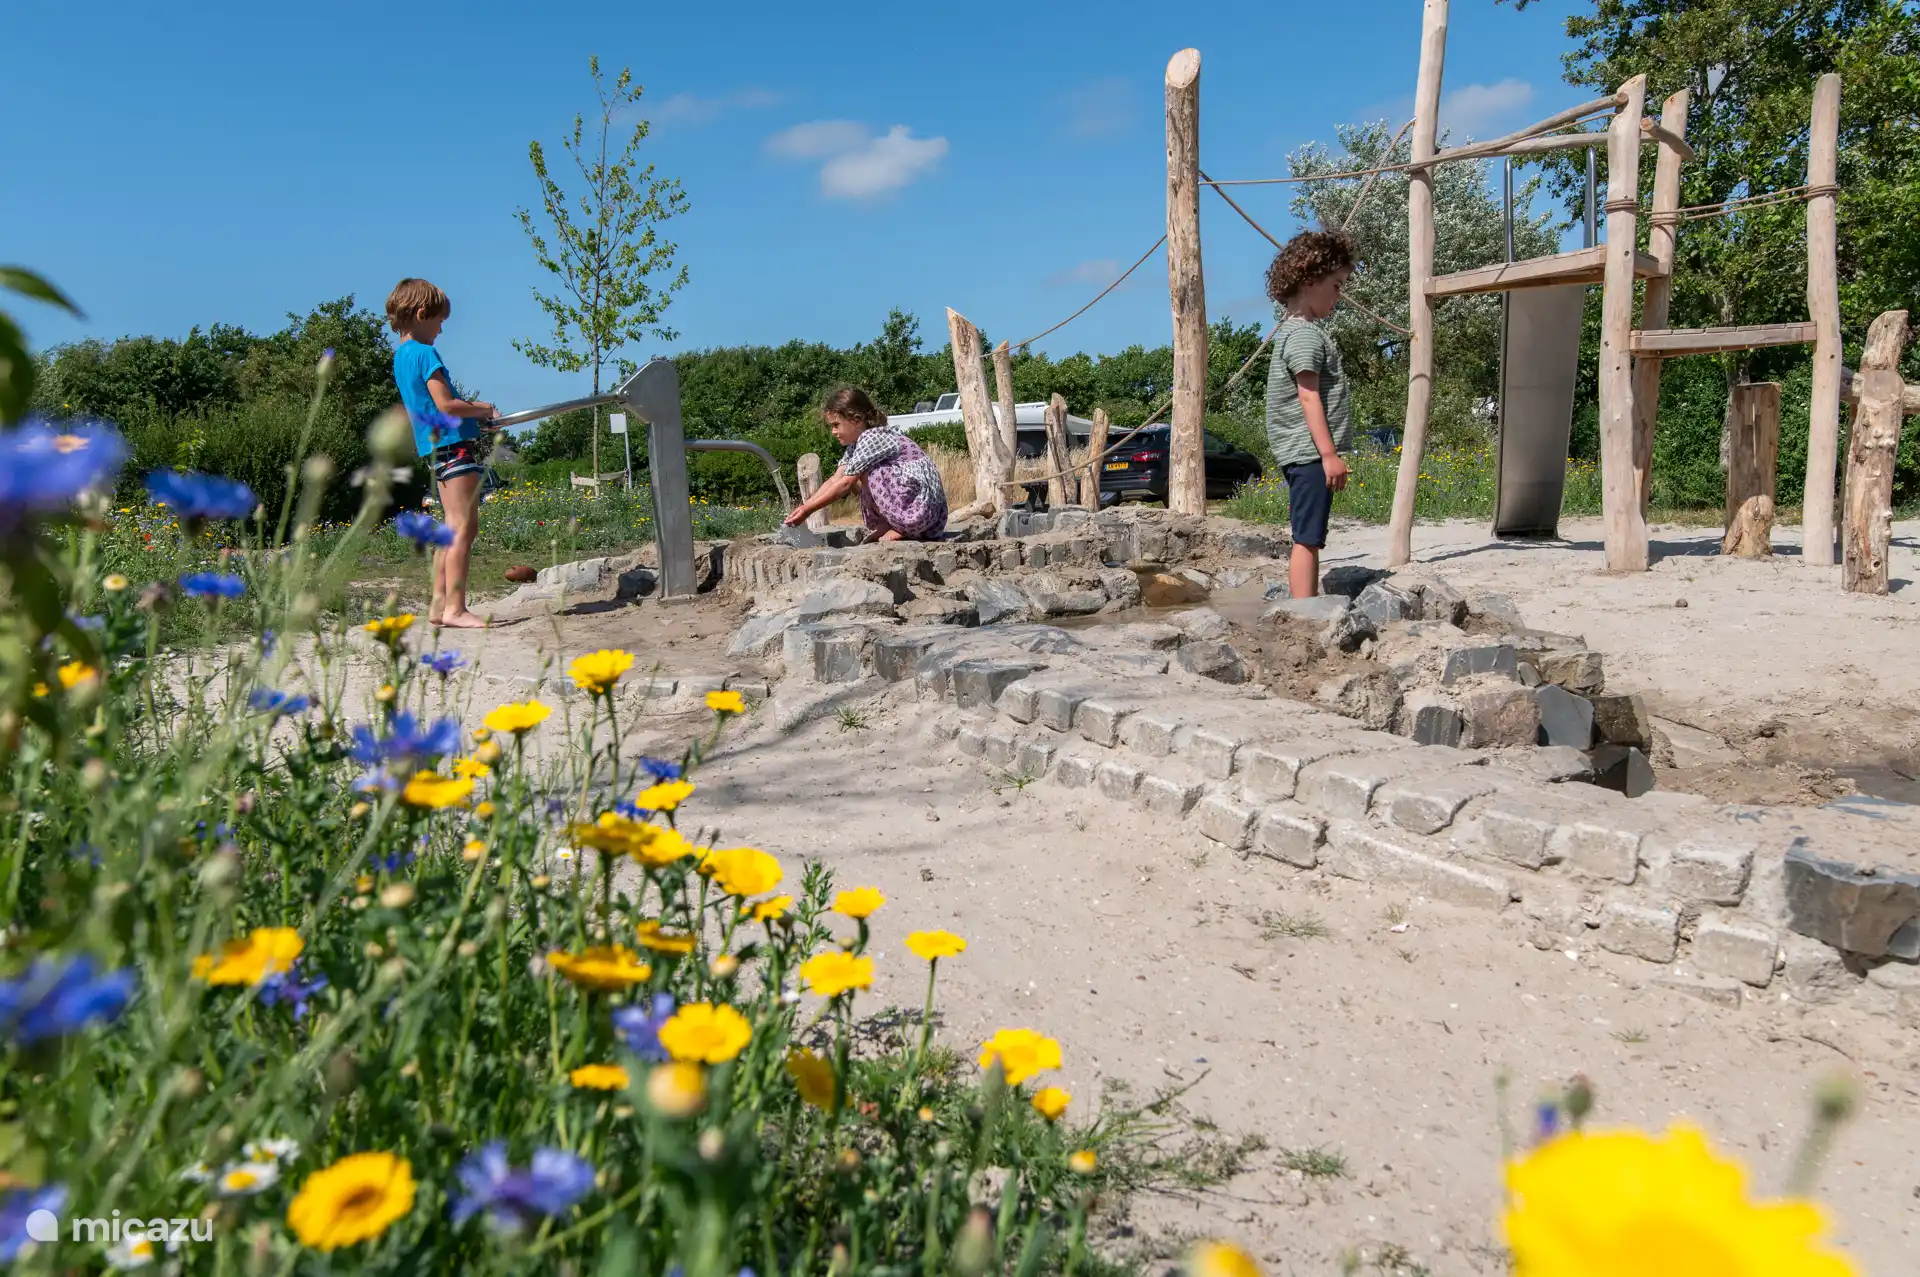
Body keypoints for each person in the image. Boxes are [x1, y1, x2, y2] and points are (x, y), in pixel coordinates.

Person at [387, 277, 497, 629]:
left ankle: (438, 606)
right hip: (454, 446)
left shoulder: (401, 357)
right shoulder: (425, 353)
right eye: (439, 322)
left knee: (450, 528)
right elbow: (446, 403)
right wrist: (482, 408)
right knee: (464, 527)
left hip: (435, 447)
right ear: (421, 314)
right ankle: (456, 608)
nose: (440, 330)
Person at [1263, 229, 1357, 599]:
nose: (1339, 295)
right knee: (1308, 536)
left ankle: (1306, 603)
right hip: (1309, 452)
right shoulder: (1304, 335)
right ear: (1311, 279)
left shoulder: (1292, 332)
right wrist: (1329, 455)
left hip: (1304, 452)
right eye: (1336, 285)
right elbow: (1308, 396)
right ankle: (1304, 611)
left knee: (1310, 532)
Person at [783, 387, 948, 541]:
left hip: (922, 507)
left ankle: (902, 525)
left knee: (870, 472)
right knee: (856, 472)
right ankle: (893, 522)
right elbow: (836, 479)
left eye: (836, 425)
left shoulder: (872, 437)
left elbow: (845, 484)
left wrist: (808, 510)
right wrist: (805, 507)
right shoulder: (855, 445)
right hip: (923, 509)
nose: (833, 432)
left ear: (856, 419)